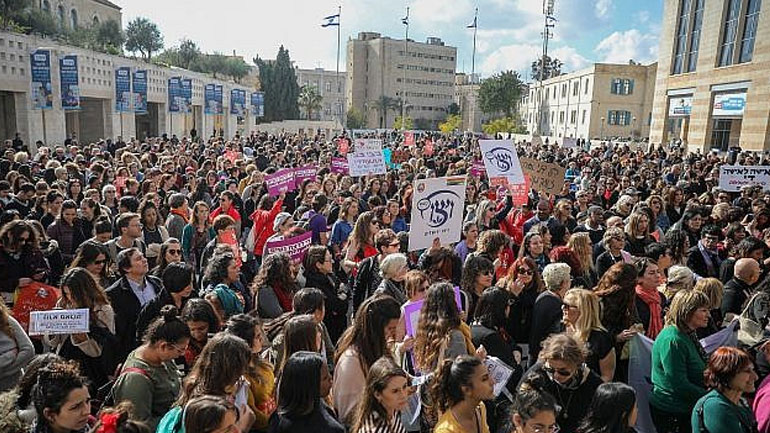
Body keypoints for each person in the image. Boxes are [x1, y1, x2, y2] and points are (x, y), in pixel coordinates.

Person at [155, 333, 255, 433]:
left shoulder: (198, 387)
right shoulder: (208, 406)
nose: (242, 375)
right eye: (240, 371)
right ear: (230, 371)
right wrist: (242, 427)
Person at [112, 305, 190, 430]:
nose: (182, 355)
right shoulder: (136, 379)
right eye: (180, 350)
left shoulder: (163, 358)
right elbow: (137, 425)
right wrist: (176, 417)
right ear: (163, 346)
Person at [43, 267, 116, 390]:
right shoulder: (63, 303)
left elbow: (102, 349)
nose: (70, 297)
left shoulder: (102, 309)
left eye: (73, 294)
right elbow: (53, 342)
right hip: (65, 360)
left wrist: (82, 338)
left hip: (92, 368)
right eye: (66, 293)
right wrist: (53, 326)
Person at [333, 295, 401, 425]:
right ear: (376, 329)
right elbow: (349, 415)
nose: (393, 334)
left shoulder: (376, 350)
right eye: (390, 329)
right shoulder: (351, 362)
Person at [649, 290, 711, 433]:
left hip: (685, 408)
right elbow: (678, 383)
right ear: (687, 312)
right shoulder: (673, 340)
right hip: (673, 412)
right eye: (703, 310)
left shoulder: (687, 333)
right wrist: (711, 396)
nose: (708, 315)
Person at [519, 333, 603, 433]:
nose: (556, 376)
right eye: (551, 369)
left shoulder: (592, 383)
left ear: (576, 365)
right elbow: (519, 408)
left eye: (563, 371)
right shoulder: (537, 374)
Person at [106, 248, 162, 363]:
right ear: (126, 268)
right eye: (138, 259)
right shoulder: (114, 294)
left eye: (143, 257)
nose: (144, 260)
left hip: (160, 344)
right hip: (133, 351)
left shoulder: (156, 283)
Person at [268, 351, 345, 433]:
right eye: (325, 378)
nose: (331, 379)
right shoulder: (328, 428)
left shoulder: (318, 404)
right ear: (309, 385)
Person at [224, 314, 276, 431]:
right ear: (245, 342)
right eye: (257, 336)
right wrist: (275, 423)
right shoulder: (240, 377)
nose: (261, 339)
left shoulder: (262, 364)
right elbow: (252, 413)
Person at [691, 347, 758, 433]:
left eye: (753, 370)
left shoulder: (740, 402)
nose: (755, 377)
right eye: (747, 371)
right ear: (728, 374)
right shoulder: (715, 407)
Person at [562, 288, 615, 382]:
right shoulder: (561, 329)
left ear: (582, 310)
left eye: (567, 306)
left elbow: (607, 377)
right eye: (563, 305)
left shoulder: (601, 339)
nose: (563, 308)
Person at [432, 355, 495, 433]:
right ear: (467, 390)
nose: (492, 382)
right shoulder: (446, 430)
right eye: (484, 379)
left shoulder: (480, 408)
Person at [30, 361, 94, 433]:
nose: (87, 411)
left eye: (87, 401)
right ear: (49, 415)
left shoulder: (91, 425)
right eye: (76, 407)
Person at [350, 356, 409, 433]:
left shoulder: (392, 410)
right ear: (377, 395)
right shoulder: (374, 429)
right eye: (395, 391)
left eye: (404, 386)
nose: (403, 395)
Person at [136, 262, 193, 340]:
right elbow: (143, 336)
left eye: (191, 282)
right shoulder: (153, 308)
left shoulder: (193, 298)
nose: (189, 287)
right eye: (185, 283)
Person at [303, 245, 348, 343]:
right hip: (329, 332)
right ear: (319, 264)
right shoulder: (315, 285)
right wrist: (342, 295)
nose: (332, 262)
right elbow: (337, 306)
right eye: (328, 260)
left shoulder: (330, 277)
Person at [529, 263, 571, 364]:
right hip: (546, 355)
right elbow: (557, 333)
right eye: (569, 278)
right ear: (563, 283)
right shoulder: (556, 305)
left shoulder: (544, 296)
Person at [353, 229, 401, 313]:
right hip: (373, 312)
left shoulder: (401, 263)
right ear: (383, 248)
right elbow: (358, 290)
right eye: (394, 245)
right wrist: (356, 313)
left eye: (398, 244)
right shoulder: (369, 264)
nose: (398, 248)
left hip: (394, 312)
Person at [0, 301, 34, 392]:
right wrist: (10, 356)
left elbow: (28, 350)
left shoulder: (7, 320)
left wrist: (6, 372)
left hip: (14, 388)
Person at [253, 252, 298, 319]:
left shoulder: (288, 287)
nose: (293, 269)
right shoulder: (265, 291)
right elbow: (278, 315)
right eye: (290, 267)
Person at [634, 257, 667, 339]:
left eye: (658, 272)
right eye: (652, 273)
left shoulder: (661, 297)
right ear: (639, 278)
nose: (657, 276)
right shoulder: (634, 299)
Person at [45, 199, 86, 265]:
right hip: (61, 263)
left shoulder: (78, 224)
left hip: (77, 261)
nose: (70, 217)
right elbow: (51, 250)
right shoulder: (54, 227)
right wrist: (71, 257)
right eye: (67, 214)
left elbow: (82, 242)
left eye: (73, 214)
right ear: (62, 213)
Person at [180, 201, 215, 271]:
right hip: (192, 261)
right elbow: (185, 247)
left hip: (207, 261)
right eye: (202, 211)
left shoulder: (210, 228)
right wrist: (188, 263)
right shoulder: (188, 228)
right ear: (196, 213)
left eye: (206, 211)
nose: (205, 214)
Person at [461, 255, 495, 322]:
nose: (490, 276)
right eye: (486, 273)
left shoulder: (490, 294)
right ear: (474, 274)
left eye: (491, 272)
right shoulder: (465, 297)